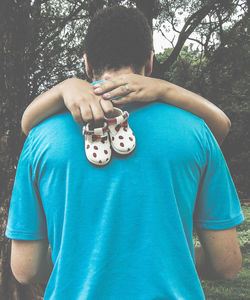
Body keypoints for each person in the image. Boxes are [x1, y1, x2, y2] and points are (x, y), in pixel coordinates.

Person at [6, 6, 244, 300]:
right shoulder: (197, 132)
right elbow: (227, 264)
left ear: (88, 64)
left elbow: (25, 269)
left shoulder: (41, 138)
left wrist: (89, 261)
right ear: (150, 61)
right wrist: (161, 258)